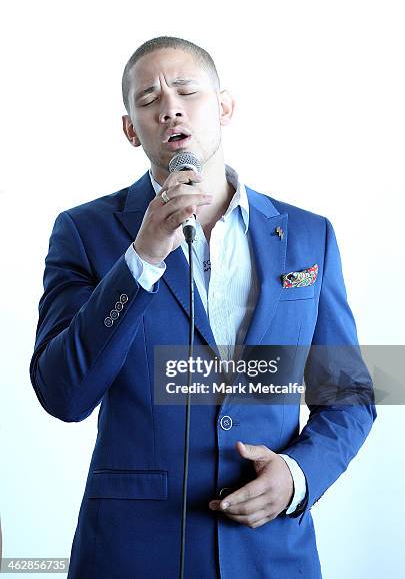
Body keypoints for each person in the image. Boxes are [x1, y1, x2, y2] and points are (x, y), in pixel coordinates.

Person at [30, 36, 376, 578]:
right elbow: (63, 394)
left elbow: (348, 396)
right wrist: (141, 258)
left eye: (187, 91)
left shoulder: (310, 237)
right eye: (148, 99)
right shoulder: (84, 232)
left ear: (224, 107)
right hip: (132, 555)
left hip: (271, 555)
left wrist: (296, 476)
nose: (169, 107)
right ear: (130, 129)